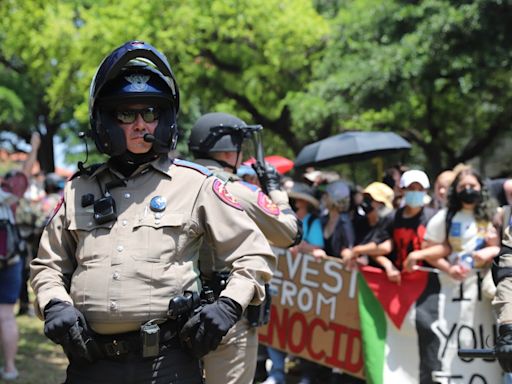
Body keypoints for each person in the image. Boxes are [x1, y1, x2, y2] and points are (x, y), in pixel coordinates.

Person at [30, 41, 276, 384]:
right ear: (105, 119)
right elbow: (48, 265)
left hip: (167, 363)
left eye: (150, 113)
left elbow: (253, 255)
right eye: (126, 114)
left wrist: (229, 305)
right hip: (90, 363)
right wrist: (54, 302)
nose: (140, 124)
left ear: (166, 119)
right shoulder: (78, 189)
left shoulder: (197, 185)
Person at [188, 112, 301, 384]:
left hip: (178, 310)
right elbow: (290, 233)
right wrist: (277, 193)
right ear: (228, 150)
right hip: (227, 313)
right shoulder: (234, 190)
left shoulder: (175, 182)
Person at [404, 168, 499, 280]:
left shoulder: (495, 215)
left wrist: (493, 250)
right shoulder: (444, 217)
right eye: (462, 187)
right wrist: (449, 269)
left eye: (472, 186)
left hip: (487, 283)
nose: (468, 190)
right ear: (455, 190)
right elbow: (429, 250)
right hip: (453, 286)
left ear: (481, 188)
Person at [0, 131, 41, 380]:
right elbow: (25, 172)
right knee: (6, 315)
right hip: (11, 260)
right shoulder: (9, 196)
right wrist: (34, 145)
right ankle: (11, 367)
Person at [369, 169, 435, 284]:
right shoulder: (391, 218)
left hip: (427, 284)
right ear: (402, 190)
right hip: (398, 282)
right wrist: (388, 266)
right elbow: (377, 249)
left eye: (420, 189)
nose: (416, 192)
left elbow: (443, 248)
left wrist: (418, 255)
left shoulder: (434, 218)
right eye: (411, 189)